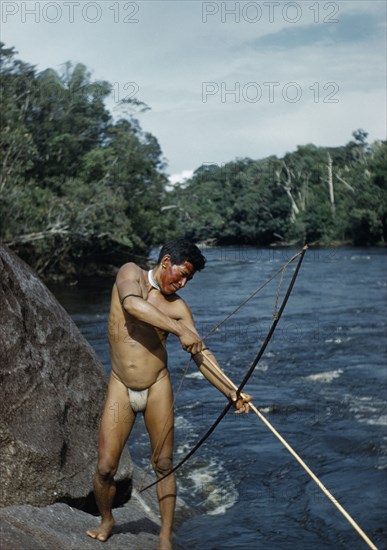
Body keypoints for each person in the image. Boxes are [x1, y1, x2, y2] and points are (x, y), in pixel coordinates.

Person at [86, 239, 251, 549]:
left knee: (164, 463)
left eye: (189, 279)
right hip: (121, 385)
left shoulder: (178, 307)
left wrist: (232, 391)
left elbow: (201, 355)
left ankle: (164, 538)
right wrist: (179, 330)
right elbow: (132, 305)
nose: (183, 283)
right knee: (105, 467)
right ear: (164, 263)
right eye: (181, 274)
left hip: (157, 386)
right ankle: (107, 519)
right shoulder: (129, 273)